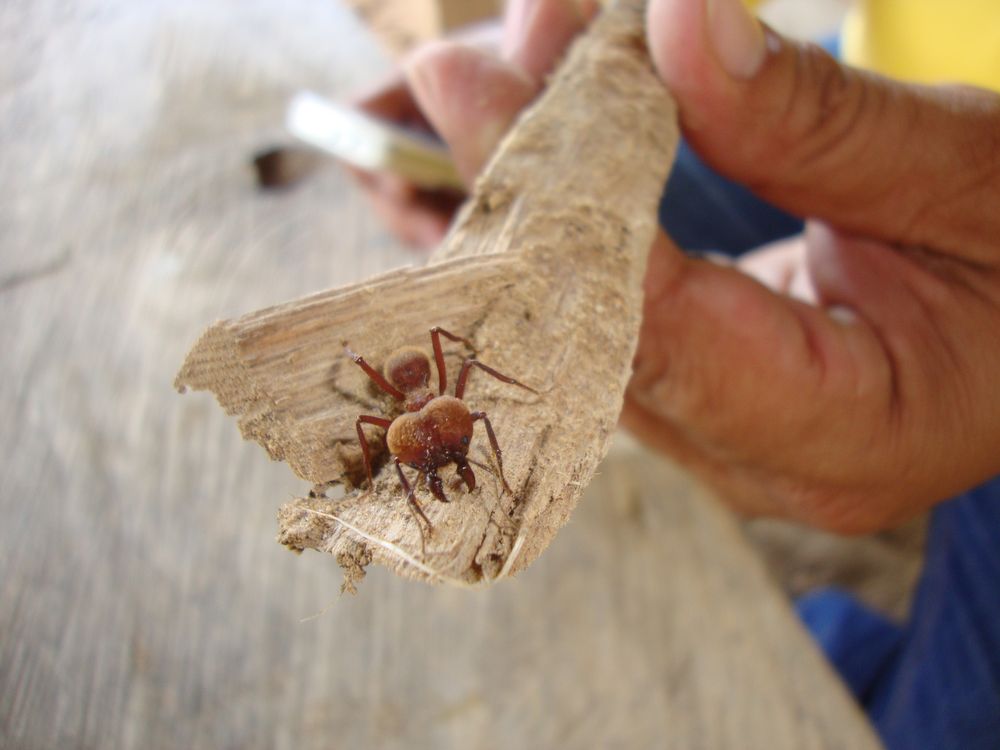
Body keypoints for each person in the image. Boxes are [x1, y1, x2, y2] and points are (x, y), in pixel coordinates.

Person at [347, 0, 1000, 746]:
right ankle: (843, 643)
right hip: (883, 77)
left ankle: (859, 663)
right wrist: (586, 53)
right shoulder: (422, 414)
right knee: (538, 186)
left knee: (955, 715)